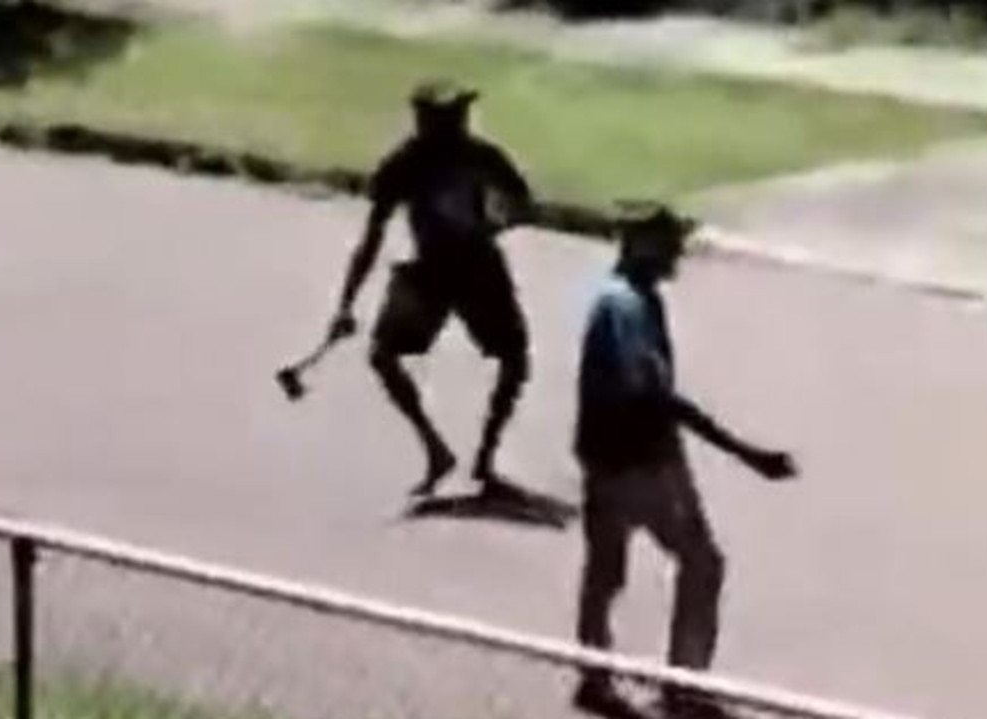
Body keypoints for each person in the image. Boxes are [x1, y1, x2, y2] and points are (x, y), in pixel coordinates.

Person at [571, 203, 797, 719]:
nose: (677, 252)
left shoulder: (621, 300)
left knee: (604, 573)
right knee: (701, 563)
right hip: (641, 464)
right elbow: (654, 397)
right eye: (668, 241)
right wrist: (746, 452)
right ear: (640, 243)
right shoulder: (627, 307)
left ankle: (592, 676)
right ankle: (683, 684)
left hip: (604, 458)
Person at [327, 79, 535, 498]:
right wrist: (346, 302)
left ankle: (482, 457)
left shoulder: (478, 156)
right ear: (426, 120)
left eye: (458, 115)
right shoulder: (406, 164)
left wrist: (497, 222)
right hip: (436, 272)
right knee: (384, 357)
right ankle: (441, 450)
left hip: (475, 267)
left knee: (514, 359)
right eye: (449, 116)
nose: (457, 123)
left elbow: (524, 203)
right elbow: (373, 236)